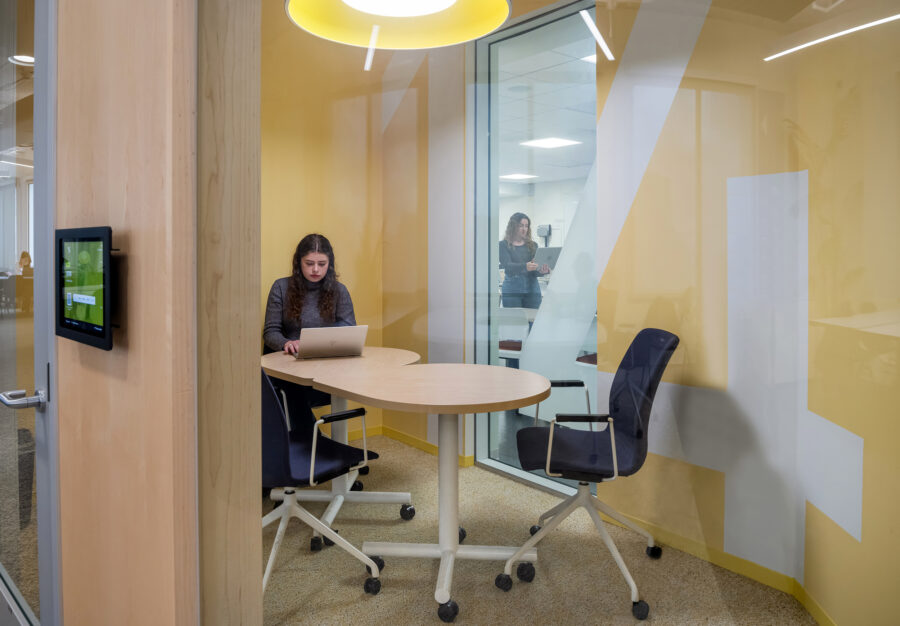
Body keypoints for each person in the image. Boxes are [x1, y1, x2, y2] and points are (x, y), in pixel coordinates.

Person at [263, 233, 356, 430]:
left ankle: (317, 448)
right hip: (289, 367)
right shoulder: (281, 287)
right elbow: (271, 332)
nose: (315, 269)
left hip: (327, 367)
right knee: (292, 388)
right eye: (309, 263)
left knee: (350, 381)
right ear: (299, 263)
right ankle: (316, 446)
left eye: (322, 264)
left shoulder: (339, 290)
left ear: (329, 264)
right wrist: (286, 343)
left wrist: (325, 340)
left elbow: (349, 329)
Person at [499, 212, 549, 309]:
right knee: (515, 321)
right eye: (521, 226)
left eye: (526, 226)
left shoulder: (533, 245)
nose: (524, 229)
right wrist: (525, 266)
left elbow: (534, 271)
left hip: (532, 289)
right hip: (512, 289)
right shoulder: (503, 245)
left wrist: (541, 271)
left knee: (532, 321)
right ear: (513, 227)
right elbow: (508, 266)